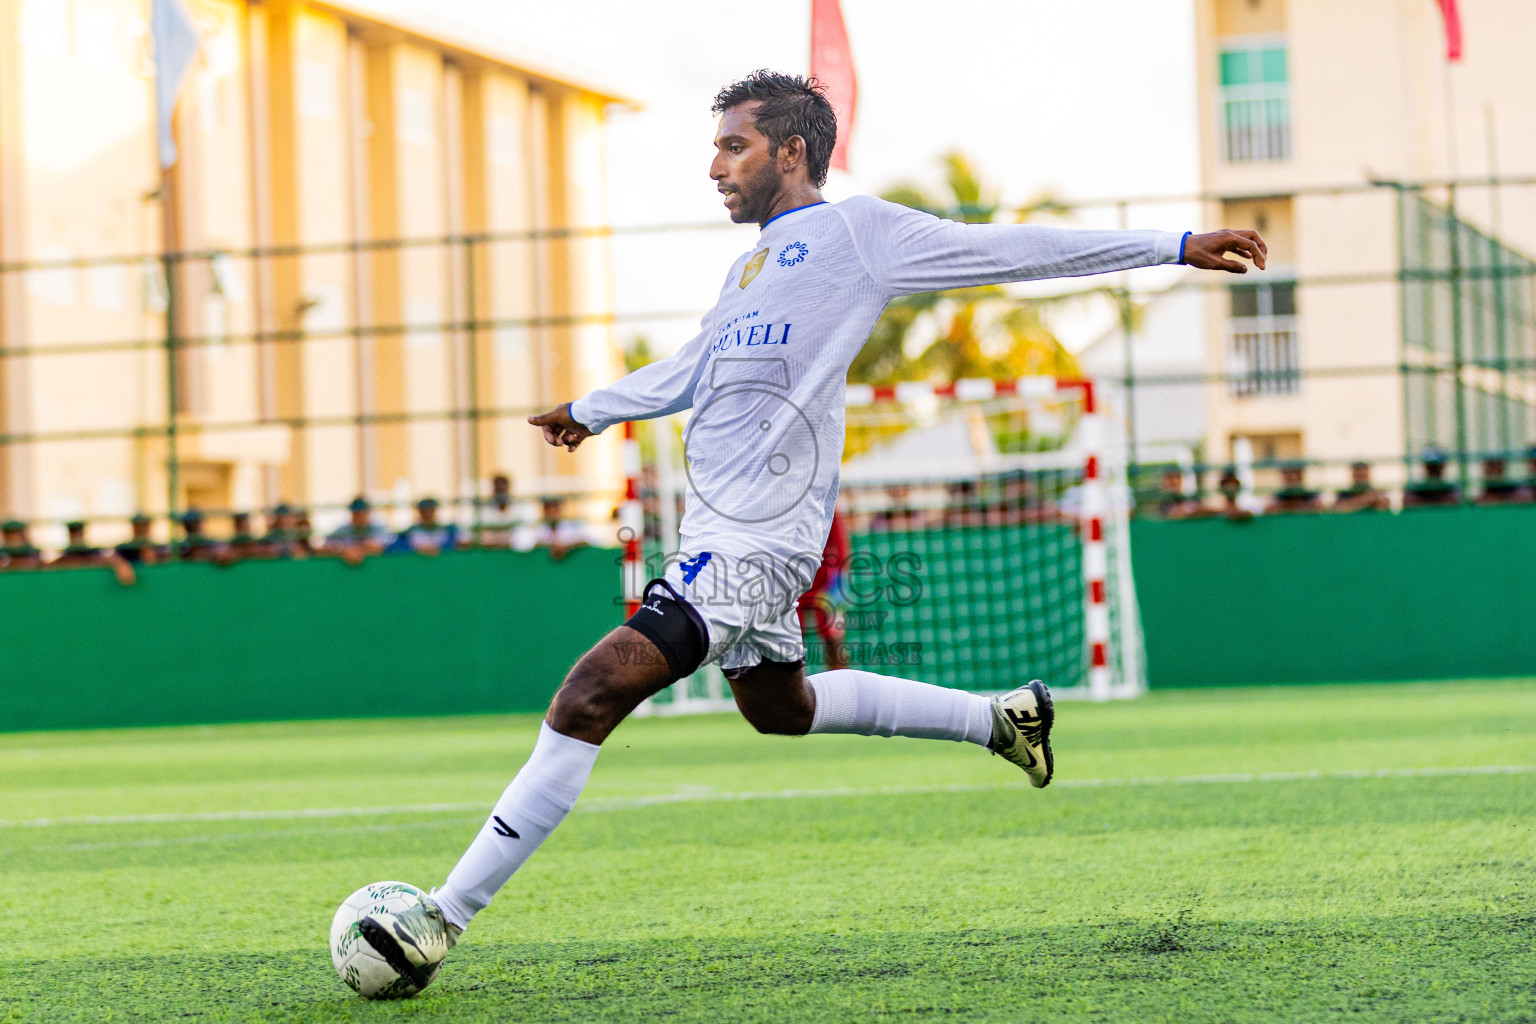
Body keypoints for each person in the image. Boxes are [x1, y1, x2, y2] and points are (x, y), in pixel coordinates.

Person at [358, 71, 1267, 971]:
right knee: (778, 708)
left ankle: (442, 916)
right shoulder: (750, 262)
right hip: (720, 530)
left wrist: (1174, 244)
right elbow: (695, 364)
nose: (714, 166)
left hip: (755, 543)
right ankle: (1000, 720)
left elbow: (1008, 248)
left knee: (590, 694)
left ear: (791, 152)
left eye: (733, 145)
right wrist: (593, 407)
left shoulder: (858, 233)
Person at [796, 506, 850, 671]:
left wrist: (838, 580)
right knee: (793, 642)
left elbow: (840, 544)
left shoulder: (827, 506)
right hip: (795, 583)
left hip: (826, 585)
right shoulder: (788, 507)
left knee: (833, 640)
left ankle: (841, 686)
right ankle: (793, 691)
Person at [49, 520, 136, 585]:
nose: (76, 536)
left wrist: (120, 565)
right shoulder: (65, 555)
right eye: (73, 533)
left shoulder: (93, 552)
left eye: (78, 532)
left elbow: (108, 558)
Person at [512, 496, 594, 560]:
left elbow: (587, 539)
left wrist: (566, 546)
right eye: (548, 508)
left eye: (555, 507)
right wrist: (550, 544)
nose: (552, 511)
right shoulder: (536, 528)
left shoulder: (572, 526)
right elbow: (523, 543)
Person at [324, 497, 392, 563]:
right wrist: (343, 550)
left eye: (361, 513)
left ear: (368, 513)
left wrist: (359, 549)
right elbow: (325, 546)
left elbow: (379, 546)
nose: (358, 516)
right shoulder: (344, 529)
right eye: (355, 513)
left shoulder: (378, 528)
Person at [386, 498, 459, 556]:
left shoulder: (448, 531)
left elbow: (460, 543)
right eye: (424, 511)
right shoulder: (408, 533)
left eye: (431, 510)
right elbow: (396, 547)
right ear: (420, 512)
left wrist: (439, 549)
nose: (428, 514)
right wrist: (418, 550)